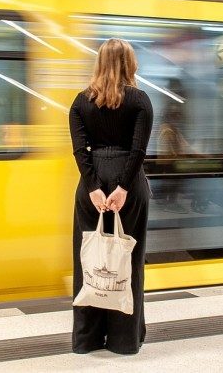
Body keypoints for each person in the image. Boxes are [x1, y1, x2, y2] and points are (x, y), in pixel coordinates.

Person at [68, 38, 154, 355]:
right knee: (128, 261)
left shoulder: (79, 102)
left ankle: (86, 339)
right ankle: (123, 340)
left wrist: (93, 187)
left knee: (88, 261)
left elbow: (80, 151)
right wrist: (123, 188)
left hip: (90, 187)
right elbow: (139, 151)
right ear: (130, 64)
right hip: (129, 185)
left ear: (99, 63)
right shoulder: (140, 100)